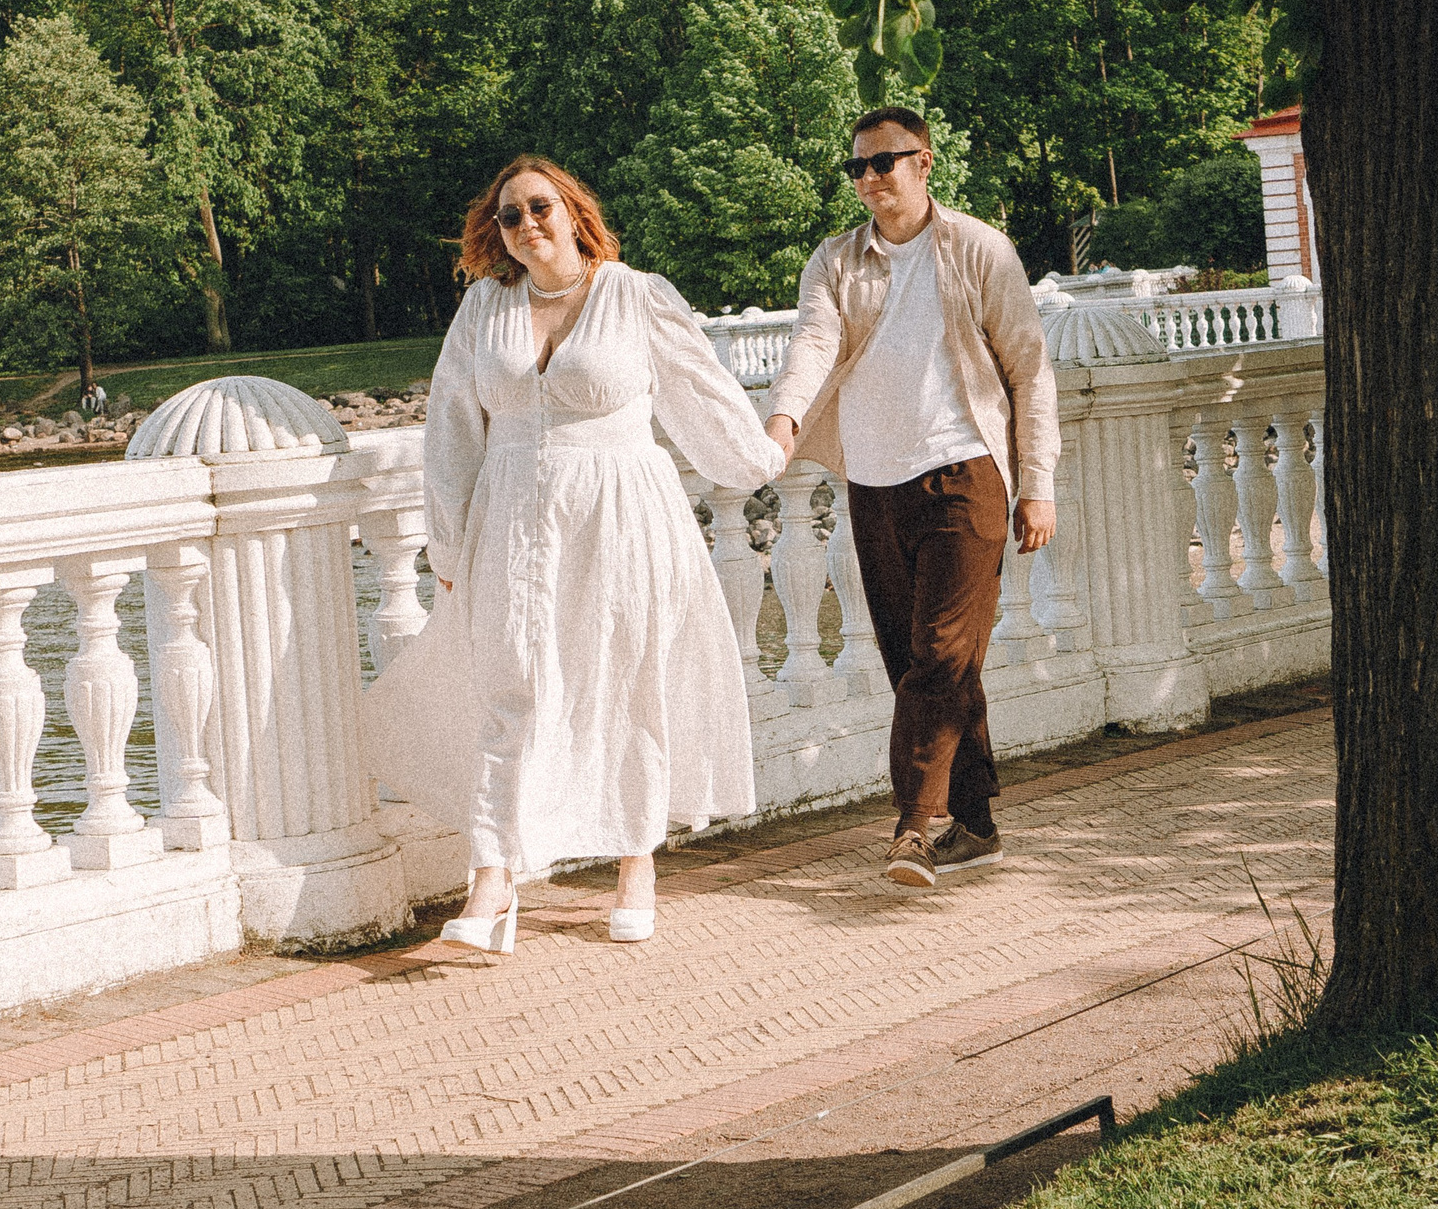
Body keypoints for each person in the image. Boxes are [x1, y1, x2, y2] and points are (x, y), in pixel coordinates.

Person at [362, 154, 784, 952]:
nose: (527, 225)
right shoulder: (484, 311)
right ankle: (492, 880)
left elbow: (703, 392)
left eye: (540, 207)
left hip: (623, 518)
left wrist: (762, 454)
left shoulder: (635, 295)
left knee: (628, 685)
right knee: (509, 685)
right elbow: (450, 431)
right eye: (510, 216)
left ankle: (635, 863)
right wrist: (447, 542)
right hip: (513, 520)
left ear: (573, 211)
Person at [763, 107, 1058, 889]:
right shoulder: (834, 262)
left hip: (968, 476)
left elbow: (1030, 371)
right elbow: (813, 343)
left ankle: (912, 829)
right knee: (923, 664)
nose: (868, 179)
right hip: (874, 482)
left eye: (883, 162)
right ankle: (979, 825)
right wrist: (783, 420)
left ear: (924, 163)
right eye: (856, 168)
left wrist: (1041, 487)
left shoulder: (979, 250)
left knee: (940, 654)